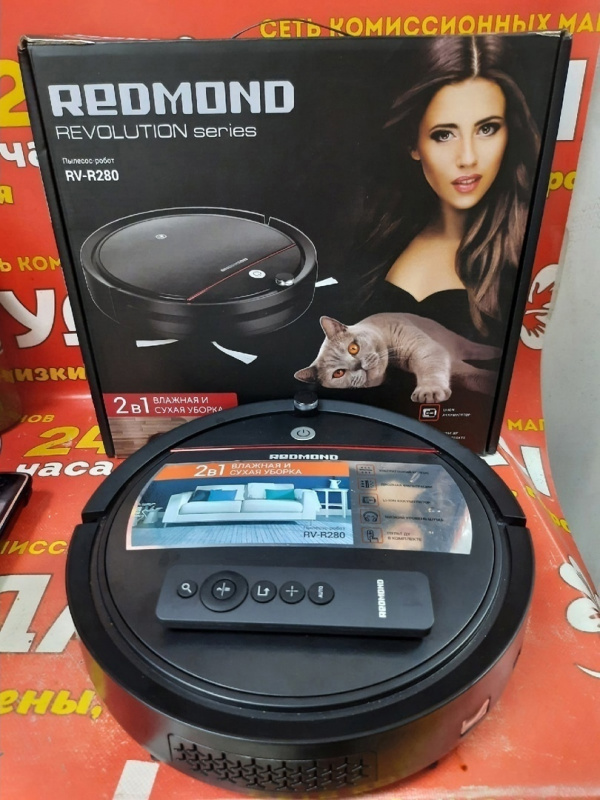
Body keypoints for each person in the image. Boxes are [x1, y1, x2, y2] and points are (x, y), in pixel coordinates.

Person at [362, 35, 540, 341]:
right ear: (413, 143)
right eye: (444, 135)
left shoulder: (525, 247)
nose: (468, 158)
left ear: (510, 132)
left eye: (487, 129)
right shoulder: (384, 237)